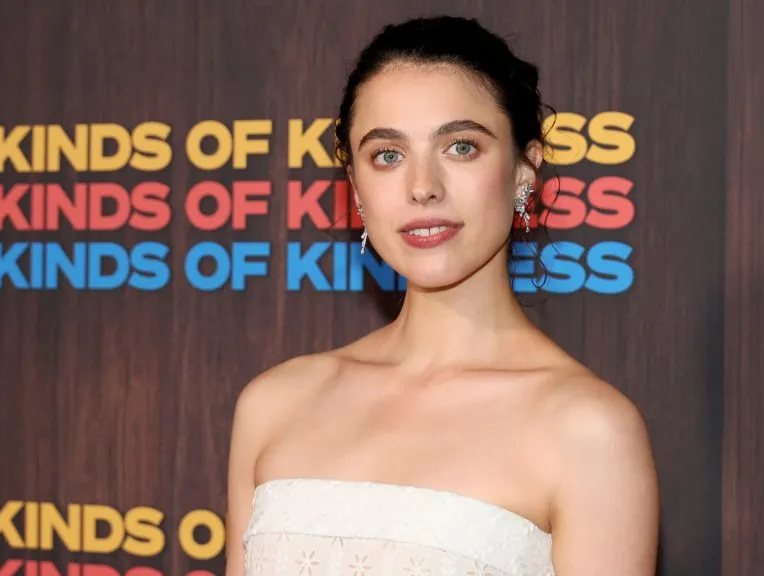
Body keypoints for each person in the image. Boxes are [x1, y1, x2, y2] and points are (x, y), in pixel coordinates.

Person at [225, 15, 659, 576]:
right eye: (387, 154)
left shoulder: (588, 431)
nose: (422, 186)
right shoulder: (272, 404)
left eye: (460, 147)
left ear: (525, 170)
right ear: (355, 185)